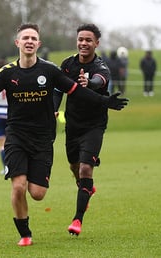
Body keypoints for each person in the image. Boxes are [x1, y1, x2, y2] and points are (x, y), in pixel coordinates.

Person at [0, 23, 128, 246]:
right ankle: (25, 234)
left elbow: (76, 90)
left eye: (33, 38)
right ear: (17, 43)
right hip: (16, 136)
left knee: (37, 193)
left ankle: (40, 206)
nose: (29, 41)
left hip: (43, 138)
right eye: (25, 37)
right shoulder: (6, 73)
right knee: (18, 187)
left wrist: (106, 101)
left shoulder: (50, 71)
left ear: (38, 44)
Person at [53, 23, 111, 236]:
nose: (84, 43)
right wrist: (53, 110)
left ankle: (77, 219)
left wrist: (89, 81)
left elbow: (98, 81)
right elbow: (58, 89)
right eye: (81, 39)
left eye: (88, 40)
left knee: (86, 168)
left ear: (97, 43)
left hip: (94, 126)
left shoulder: (101, 67)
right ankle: (86, 188)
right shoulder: (67, 65)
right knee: (75, 167)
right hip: (73, 125)